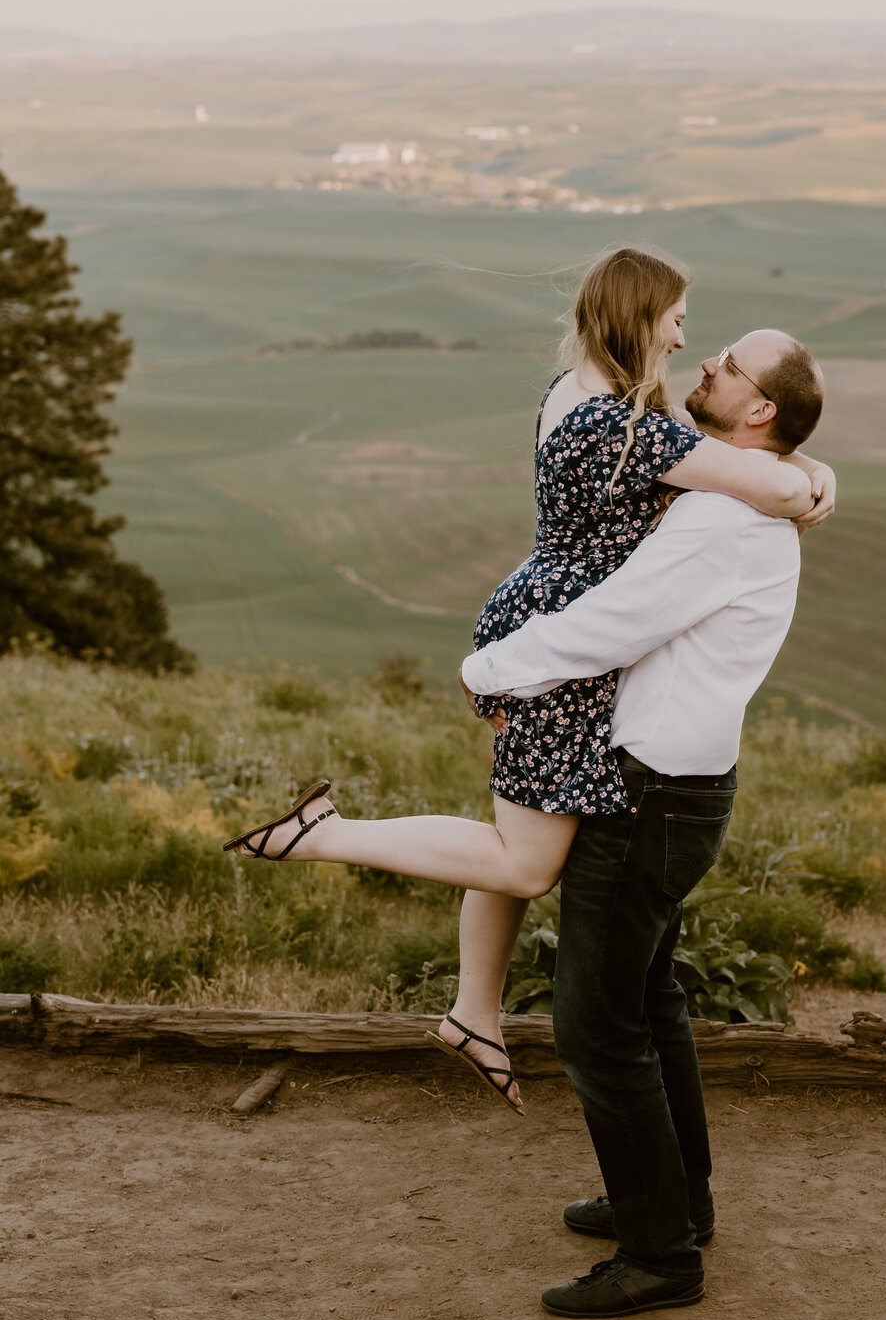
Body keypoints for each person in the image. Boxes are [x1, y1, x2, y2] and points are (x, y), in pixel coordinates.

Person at [223, 246, 836, 1114]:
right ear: (640, 318)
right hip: (559, 648)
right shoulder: (624, 428)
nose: (688, 337)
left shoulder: (586, 396)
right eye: (678, 318)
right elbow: (771, 484)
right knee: (525, 862)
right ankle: (320, 834)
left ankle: (474, 1013)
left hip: (546, 627)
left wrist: (807, 469)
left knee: (514, 833)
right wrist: (815, 475)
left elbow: (764, 472)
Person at [458, 327, 825, 1317]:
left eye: (729, 367)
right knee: (651, 1002)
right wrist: (811, 471)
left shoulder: (725, 522)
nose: (704, 363)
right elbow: (785, 471)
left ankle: (660, 1255)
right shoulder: (746, 492)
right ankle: (677, 1202)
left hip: (649, 794)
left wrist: (486, 668)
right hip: (679, 789)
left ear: (759, 412)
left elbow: (613, 624)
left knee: (595, 1025)